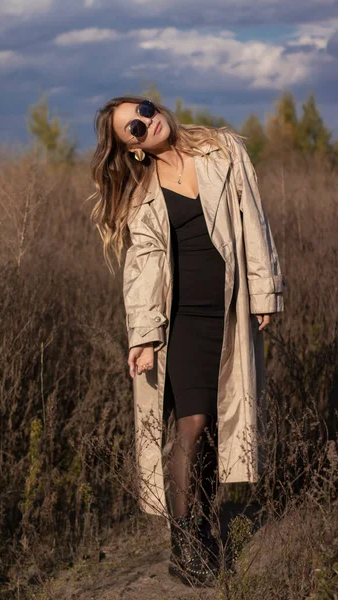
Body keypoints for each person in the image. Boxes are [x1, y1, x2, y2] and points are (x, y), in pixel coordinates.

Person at [89, 96, 285, 587]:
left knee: (218, 428)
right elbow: (141, 270)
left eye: (145, 109)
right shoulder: (141, 193)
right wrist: (144, 336)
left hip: (228, 311)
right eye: (133, 127)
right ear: (131, 148)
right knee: (192, 424)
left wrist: (264, 291)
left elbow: (254, 221)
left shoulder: (223, 150)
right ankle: (185, 547)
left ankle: (203, 528)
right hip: (181, 321)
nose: (145, 122)